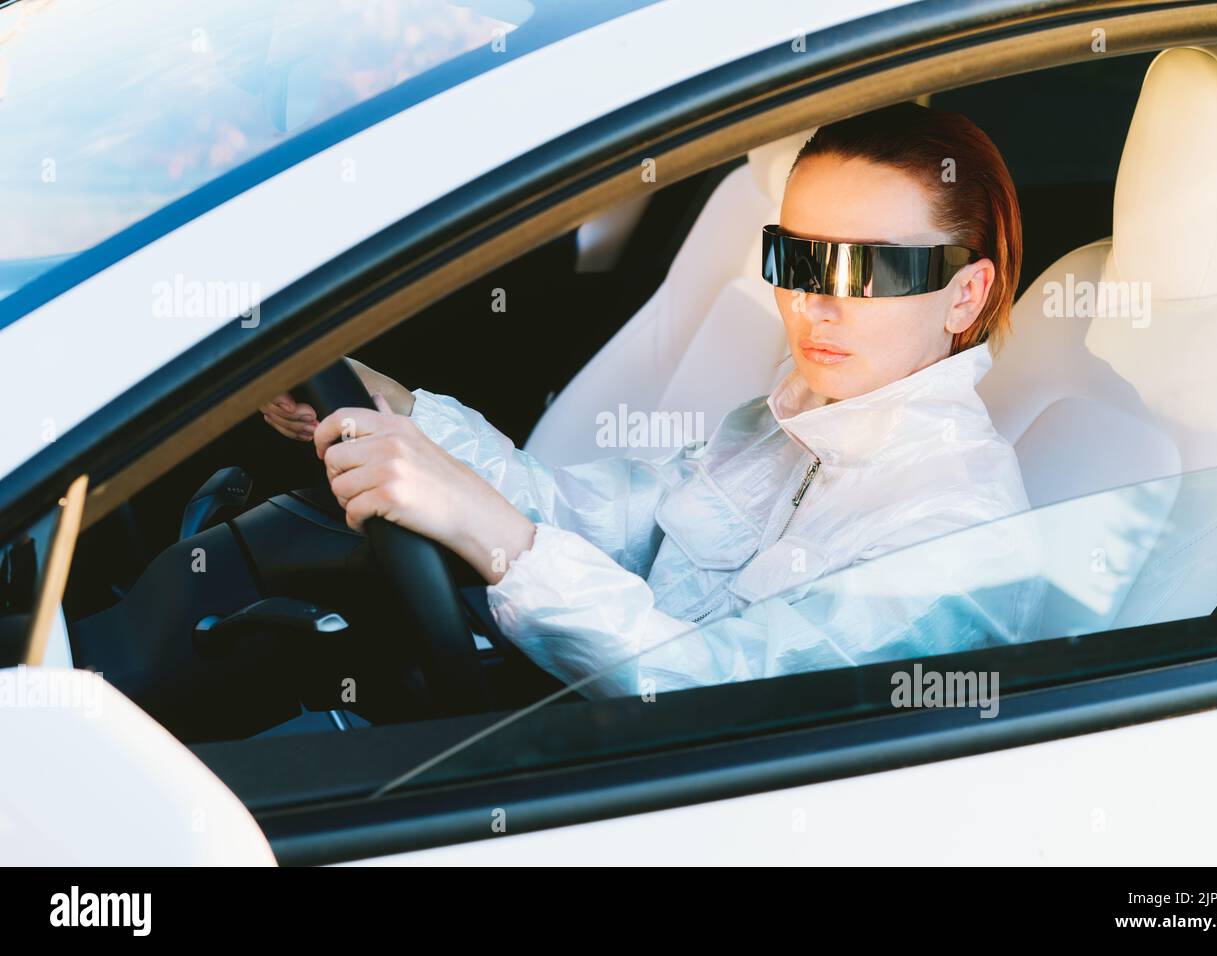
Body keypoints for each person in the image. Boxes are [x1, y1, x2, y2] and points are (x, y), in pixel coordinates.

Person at [261, 102, 1045, 699]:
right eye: (793, 258)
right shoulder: (787, 425)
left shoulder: (958, 533)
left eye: (864, 270)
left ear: (963, 296)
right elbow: (600, 522)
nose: (813, 302)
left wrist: (486, 527)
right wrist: (402, 412)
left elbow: (717, 699)